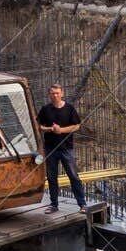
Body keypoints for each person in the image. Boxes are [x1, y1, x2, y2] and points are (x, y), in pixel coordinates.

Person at [35, 84, 85, 213]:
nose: (55, 95)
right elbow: (38, 126)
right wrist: (50, 129)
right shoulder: (46, 109)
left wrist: (61, 130)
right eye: (53, 93)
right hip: (50, 148)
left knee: (73, 176)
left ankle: (82, 204)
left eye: (57, 93)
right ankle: (54, 205)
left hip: (66, 148)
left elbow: (77, 126)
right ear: (49, 95)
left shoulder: (69, 109)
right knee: (52, 177)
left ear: (62, 94)